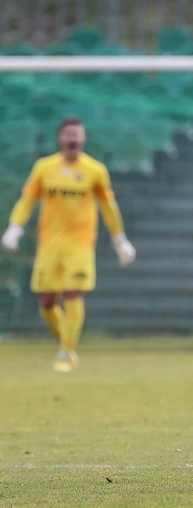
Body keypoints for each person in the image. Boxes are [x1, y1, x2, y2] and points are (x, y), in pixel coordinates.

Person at [1, 117, 136, 372]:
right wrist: (15, 228)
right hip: (49, 244)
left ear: (83, 139)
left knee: (73, 292)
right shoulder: (44, 167)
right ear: (60, 139)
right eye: (68, 134)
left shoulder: (95, 171)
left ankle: (66, 352)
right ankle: (66, 341)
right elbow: (27, 200)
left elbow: (108, 208)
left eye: (77, 134)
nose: (73, 139)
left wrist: (120, 239)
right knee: (47, 301)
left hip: (80, 244)